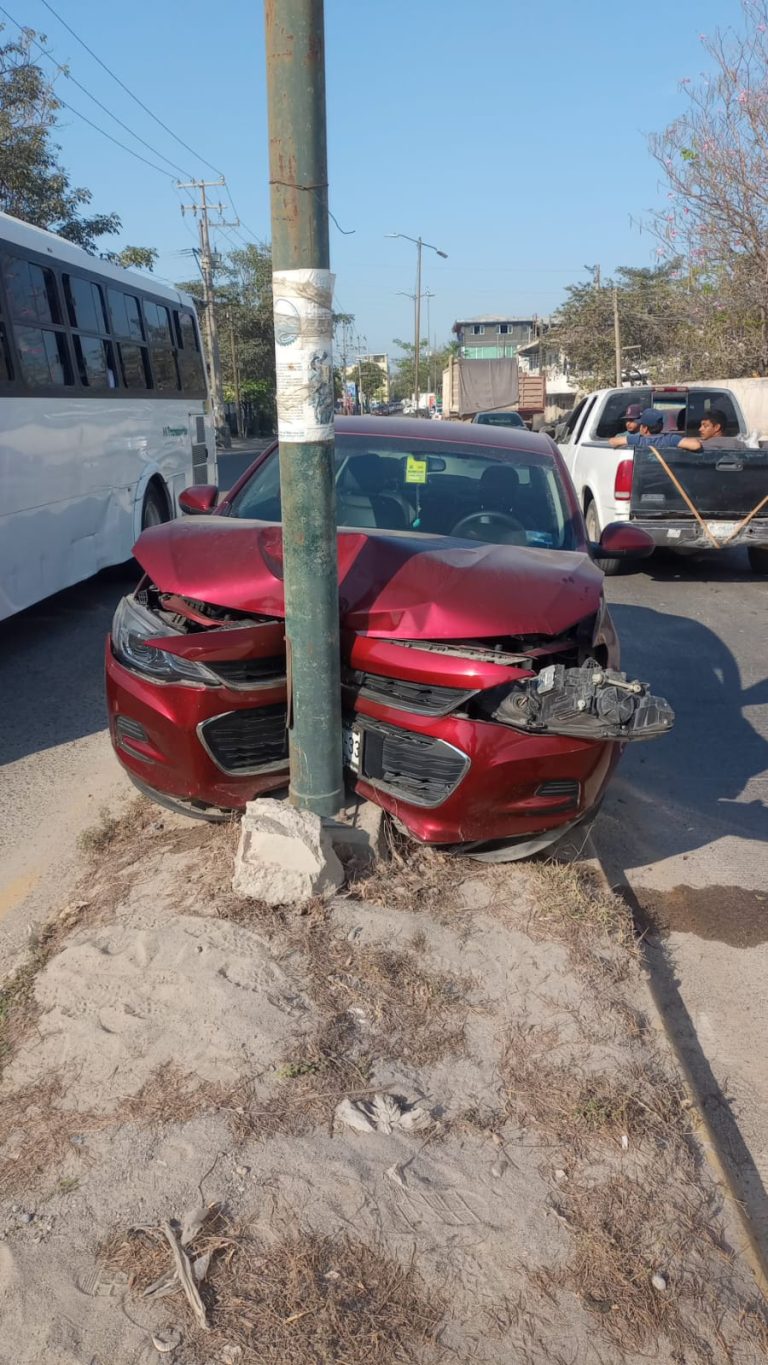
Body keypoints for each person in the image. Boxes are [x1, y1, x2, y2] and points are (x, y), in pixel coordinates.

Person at [610, 408, 700, 451]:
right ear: (661, 426)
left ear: (644, 428)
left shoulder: (637, 440)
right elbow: (696, 445)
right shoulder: (670, 439)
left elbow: (612, 442)